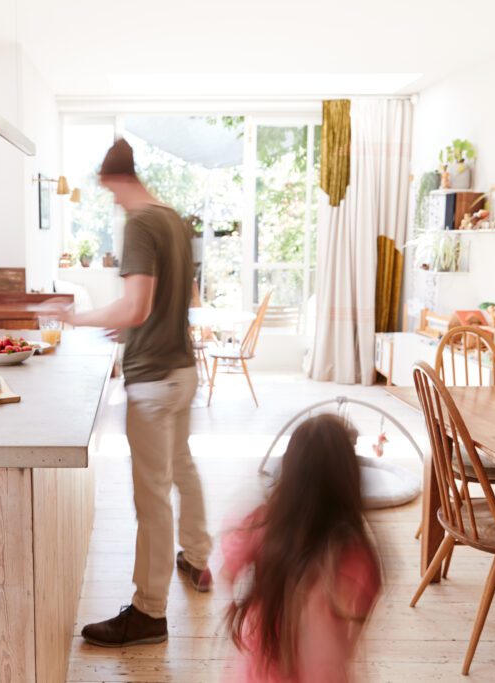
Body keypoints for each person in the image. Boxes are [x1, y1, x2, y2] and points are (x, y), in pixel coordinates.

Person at [61, 138, 212, 648]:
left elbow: (136, 307)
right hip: (183, 370)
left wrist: (78, 317)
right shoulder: (173, 219)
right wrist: (131, 326)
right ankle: (197, 556)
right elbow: (178, 297)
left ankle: (149, 613)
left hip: (152, 381)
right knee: (182, 468)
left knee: (151, 498)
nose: (112, 201)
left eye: (109, 190)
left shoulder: (140, 223)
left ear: (115, 179)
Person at [222, 414, 381, 683]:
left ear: (289, 470)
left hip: (260, 666)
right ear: (349, 479)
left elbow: (227, 572)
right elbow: (361, 610)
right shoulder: (354, 553)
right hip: (321, 671)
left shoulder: (263, 522)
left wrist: (252, 604)